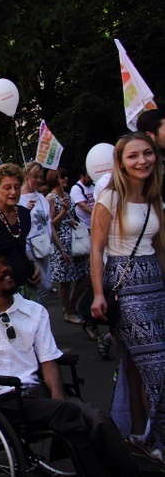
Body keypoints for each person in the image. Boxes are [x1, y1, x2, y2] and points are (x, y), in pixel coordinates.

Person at [0, 244, 138, 476]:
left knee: (98, 418)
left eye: (5, 263)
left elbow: (48, 361)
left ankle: (128, 472)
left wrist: (58, 400)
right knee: (70, 415)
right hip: (0, 399)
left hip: (36, 393)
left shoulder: (35, 312)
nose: (4, 269)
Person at [90, 132, 165, 465]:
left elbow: (160, 248)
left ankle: (138, 435)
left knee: (136, 368)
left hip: (156, 285)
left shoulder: (155, 198)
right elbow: (96, 249)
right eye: (133, 156)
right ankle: (159, 439)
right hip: (126, 287)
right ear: (120, 162)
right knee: (158, 370)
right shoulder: (110, 198)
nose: (142, 160)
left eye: (147, 153)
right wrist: (96, 294)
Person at [0, 163, 40, 299]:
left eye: (17, 187)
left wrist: (33, 265)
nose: (13, 192)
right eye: (7, 187)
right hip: (1, 287)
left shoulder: (23, 213)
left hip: (26, 282)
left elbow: (20, 247)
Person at [19, 162, 69, 307]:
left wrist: (61, 249)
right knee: (43, 285)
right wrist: (24, 213)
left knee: (43, 288)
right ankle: (39, 318)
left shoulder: (42, 198)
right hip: (29, 248)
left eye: (41, 177)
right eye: (36, 177)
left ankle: (42, 319)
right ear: (27, 176)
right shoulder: (19, 199)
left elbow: (49, 225)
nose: (39, 180)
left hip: (44, 247)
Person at [45, 168, 91, 327]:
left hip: (74, 239)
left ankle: (71, 305)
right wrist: (63, 211)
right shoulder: (50, 198)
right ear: (54, 179)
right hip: (61, 242)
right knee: (65, 279)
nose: (66, 178)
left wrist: (70, 219)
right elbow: (51, 224)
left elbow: (70, 216)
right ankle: (67, 310)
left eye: (66, 175)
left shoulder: (68, 196)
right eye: (62, 176)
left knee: (85, 275)